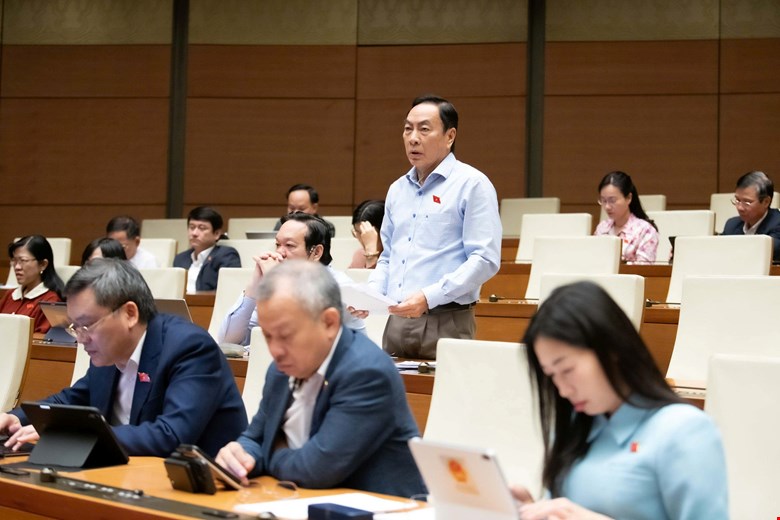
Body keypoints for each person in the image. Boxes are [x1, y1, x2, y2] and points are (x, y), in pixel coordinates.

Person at [513, 281, 728, 520]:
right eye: (551, 375)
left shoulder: (684, 430)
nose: (562, 390)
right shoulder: (575, 425)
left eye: (567, 369)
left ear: (610, 349)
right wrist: (535, 511)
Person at [215, 260, 425, 497]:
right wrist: (240, 455)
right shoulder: (280, 370)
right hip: (304, 500)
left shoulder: (367, 372)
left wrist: (269, 451)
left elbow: (316, 470)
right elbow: (255, 437)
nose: (275, 351)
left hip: (382, 507)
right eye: (268, 336)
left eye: (285, 335)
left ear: (329, 322)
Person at [0, 258, 247, 457]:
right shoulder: (110, 351)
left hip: (201, 486)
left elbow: (171, 435)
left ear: (129, 313)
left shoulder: (189, 347)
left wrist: (73, 433)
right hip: (131, 473)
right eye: (75, 327)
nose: (81, 338)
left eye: (87, 325)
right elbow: (72, 399)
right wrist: (14, 417)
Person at [364, 94, 502, 359]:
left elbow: (485, 259)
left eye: (424, 129)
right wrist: (370, 296)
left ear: (450, 136)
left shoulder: (472, 184)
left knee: (445, 388)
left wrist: (429, 297)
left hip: (447, 320)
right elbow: (389, 257)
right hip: (396, 321)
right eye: (408, 129)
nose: (413, 138)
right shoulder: (397, 189)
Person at [218, 212, 365, 346]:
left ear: (316, 252)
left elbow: (300, 340)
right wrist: (254, 286)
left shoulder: (339, 287)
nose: (279, 252)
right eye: (277, 244)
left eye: (289, 245)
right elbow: (228, 341)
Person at [0, 235, 65, 333]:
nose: (17, 267)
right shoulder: (10, 295)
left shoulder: (50, 302)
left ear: (43, 264)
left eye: (23, 261)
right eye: (14, 260)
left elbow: (41, 339)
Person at [594, 171, 659, 264]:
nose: (607, 206)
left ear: (628, 198)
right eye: (603, 201)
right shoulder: (602, 227)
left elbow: (644, 268)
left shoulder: (645, 230)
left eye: (612, 200)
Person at [173, 206, 241, 292]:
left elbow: (228, 291)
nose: (194, 233)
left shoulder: (226, 256)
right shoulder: (180, 258)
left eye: (202, 228)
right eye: (192, 227)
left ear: (216, 234)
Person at [721, 170, 780, 262]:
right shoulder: (731, 225)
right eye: (737, 200)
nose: (739, 207)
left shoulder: (777, 223)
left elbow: (768, 251)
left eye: (747, 202)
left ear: (766, 202)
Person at [348, 199, 385, 269]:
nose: (360, 238)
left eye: (366, 233)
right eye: (356, 232)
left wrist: (371, 255)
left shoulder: (397, 257)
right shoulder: (360, 255)